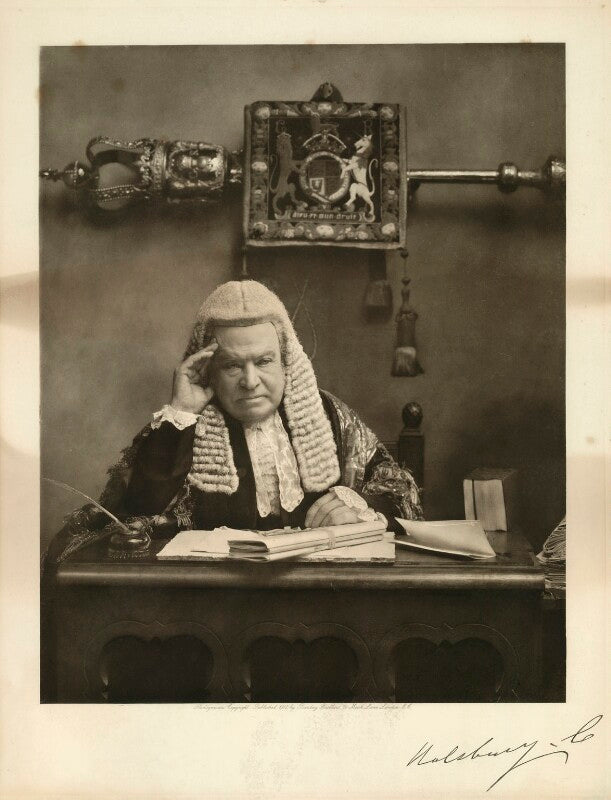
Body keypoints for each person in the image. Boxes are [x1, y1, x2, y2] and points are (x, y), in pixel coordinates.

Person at [48, 280, 422, 563]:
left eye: (264, 361)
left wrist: (357, 503)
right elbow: (135, 511)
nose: (250, 381)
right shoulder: (181, 424)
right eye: (231, 365)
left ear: (286, 361)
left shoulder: (330, 415)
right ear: (207, 368)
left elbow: (399, 491)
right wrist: (182, 411)